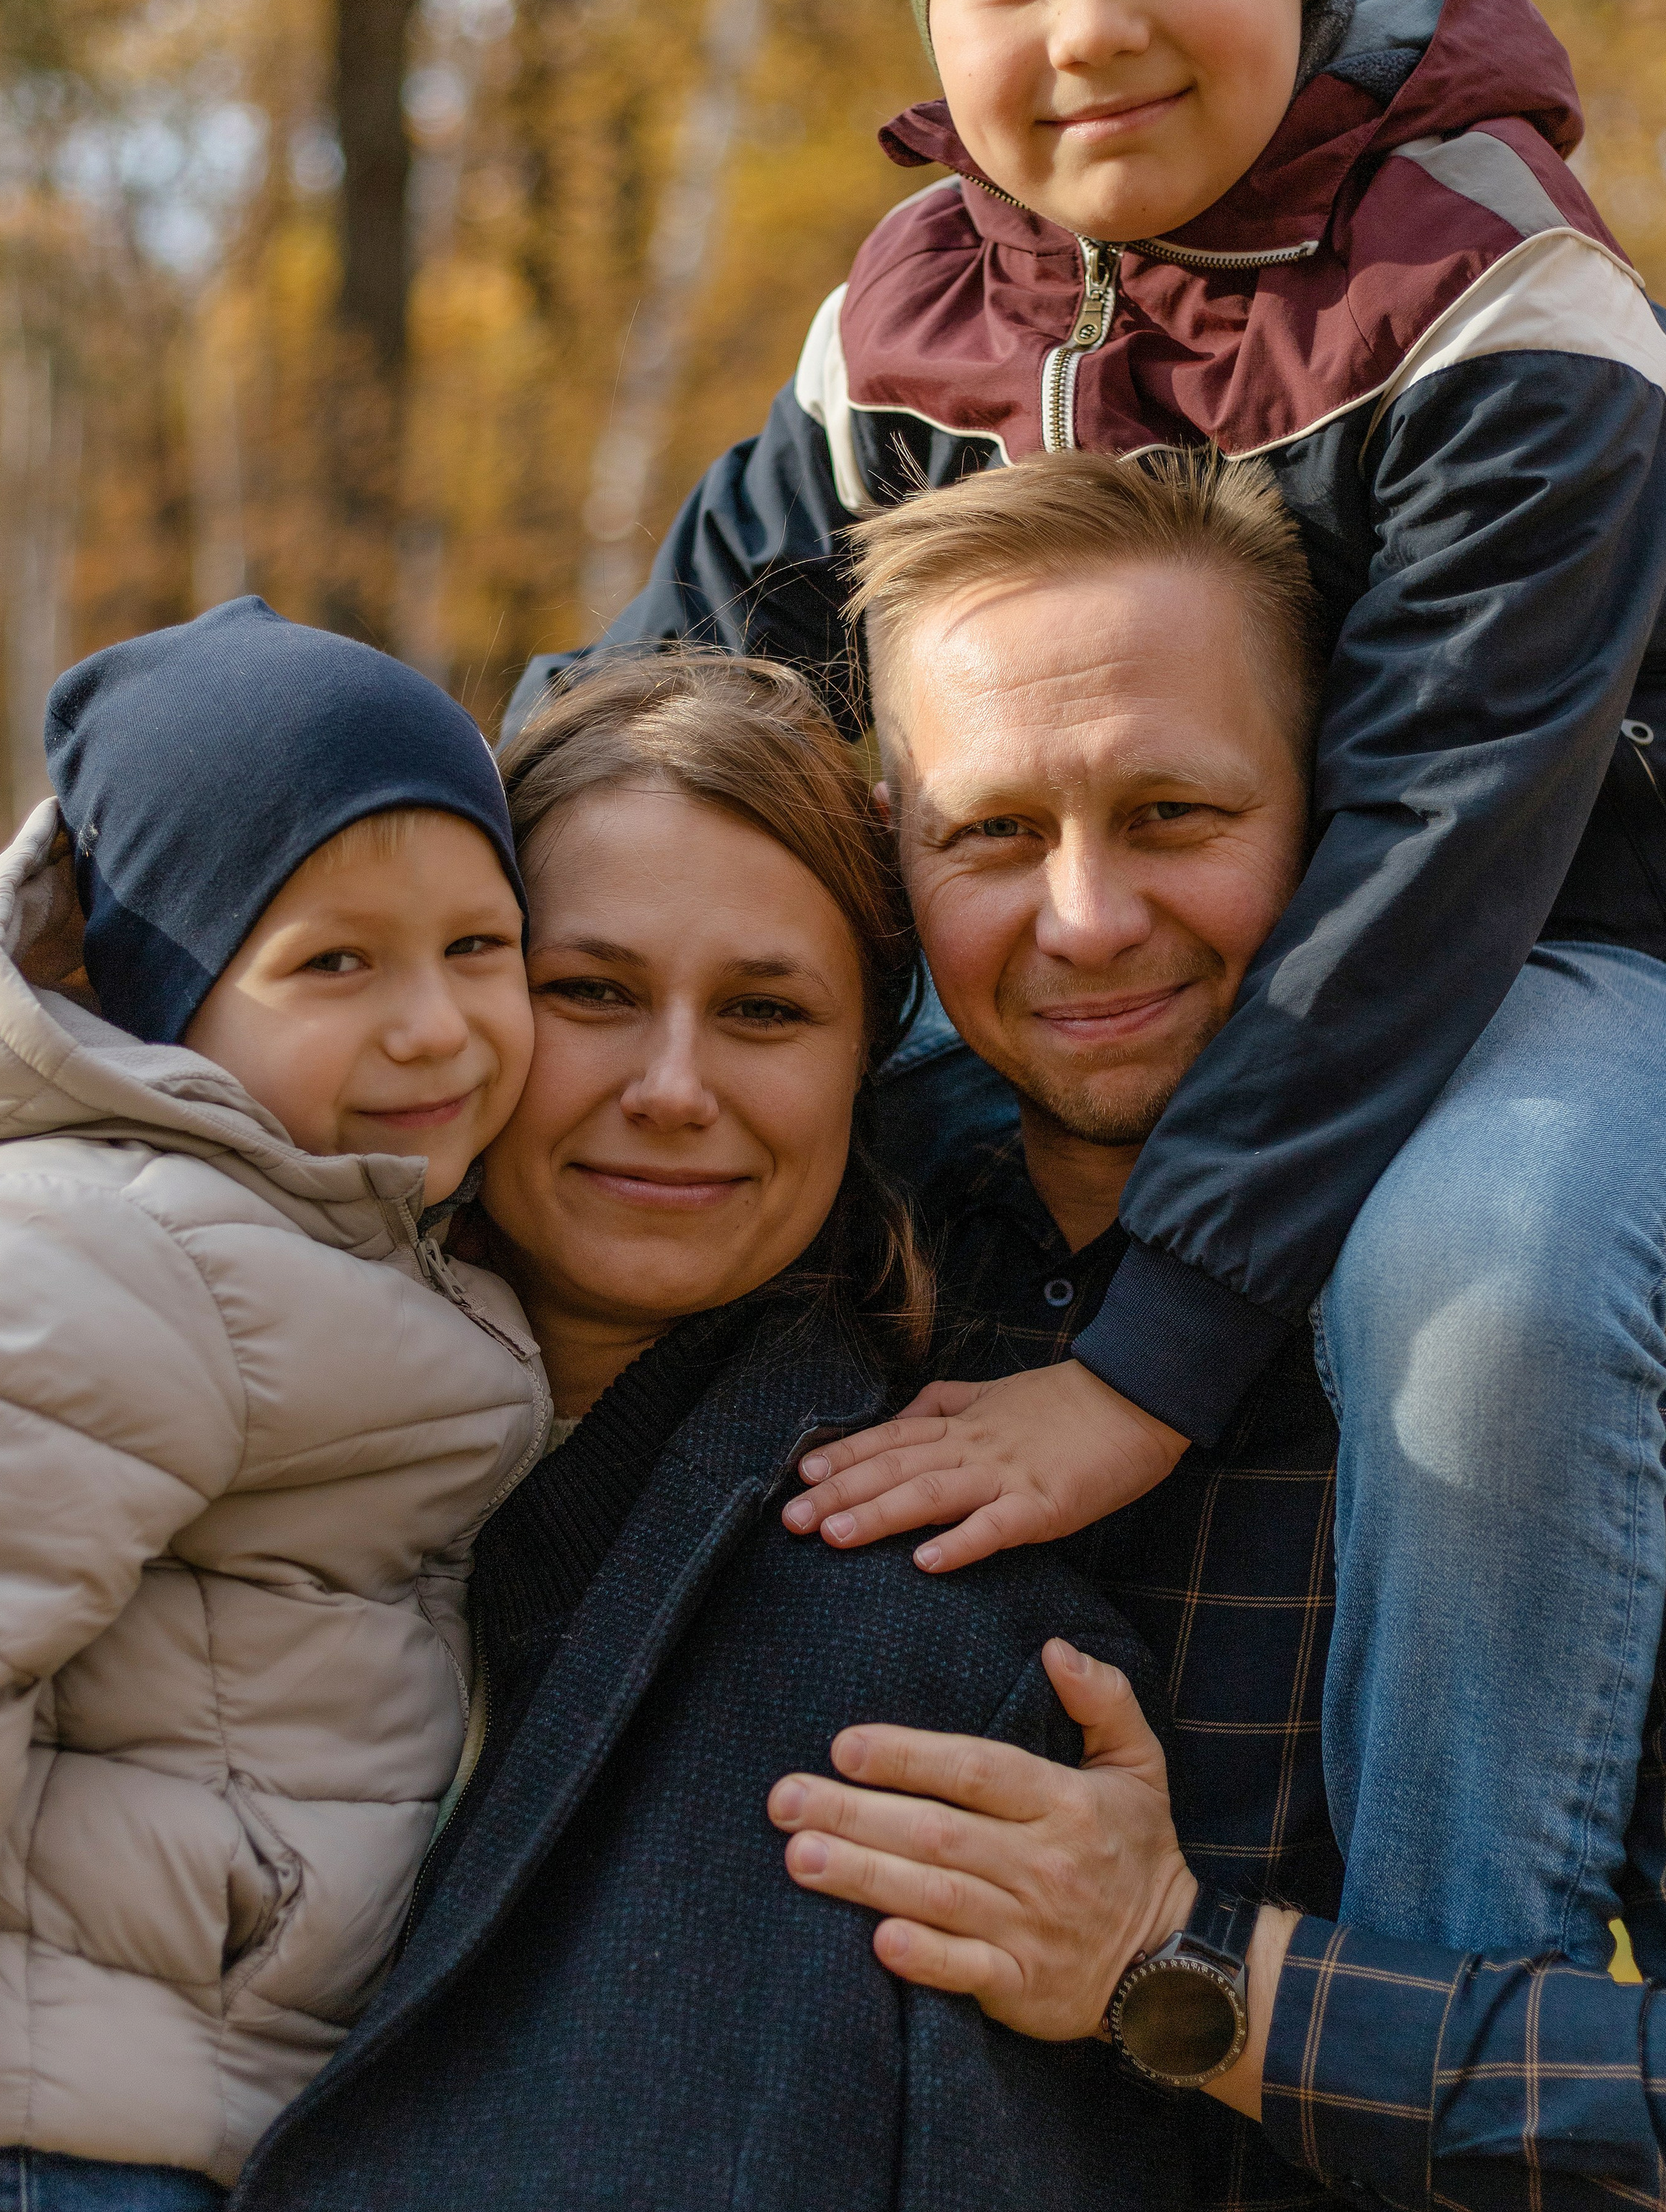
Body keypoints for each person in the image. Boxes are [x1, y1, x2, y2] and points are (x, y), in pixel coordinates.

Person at [508, 0, 1666, 1965]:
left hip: (1595, 953)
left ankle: (1434, 1964)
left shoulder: (1502, 291)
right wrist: (375, 922)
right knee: (766, 1130)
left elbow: (1425, 852)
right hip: (1201, 945)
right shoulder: (898, 318)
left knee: (1476, 1275)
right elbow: (653, 710)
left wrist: (1138, 1367)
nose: (1090, 26)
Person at [758, 457, 1666, 2205]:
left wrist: (1192, 1975)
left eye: (1171, 814)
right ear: (893, 863)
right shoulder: (801, 1279)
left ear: (1339, 833)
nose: (1083, 920)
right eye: (992, 833)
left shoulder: (1536, 1345)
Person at [226, 649, 1215, 2212]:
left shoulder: (937, 1674)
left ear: (862, 1068)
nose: (672, 1089)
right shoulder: (163, 1459)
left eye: (763, 1010)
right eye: (593, 994)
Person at [0, 599, 551, 2211]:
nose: (433, 1023)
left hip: (174, 2102)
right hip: (44, 2137)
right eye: (332, 962)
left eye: (480, 946)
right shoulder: (104, 1249)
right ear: (164, 993)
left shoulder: (313, 1226)